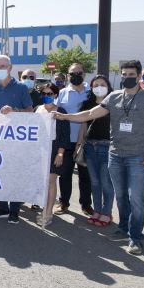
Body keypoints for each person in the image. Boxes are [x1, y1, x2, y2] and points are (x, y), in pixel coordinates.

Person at [54, 60, 144, 255]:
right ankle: (123, 228)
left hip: (138, 156)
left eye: (131, 75)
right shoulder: (113, 97)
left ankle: (135, 238)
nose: (127, 78)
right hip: (115, 154)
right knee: (121, 195)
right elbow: (89, 113)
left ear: (139, 76)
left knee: (136, 197)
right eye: (124, 74)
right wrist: (65, 117)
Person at [0, 54, 33, 224]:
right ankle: (2, 207)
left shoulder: (21, 88)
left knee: (15, 175)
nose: (0, 69)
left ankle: (15, 211)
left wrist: (15, 110)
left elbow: (30, 112)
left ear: (10, 68)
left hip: (17, 141)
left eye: (3, 66)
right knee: (0, 175)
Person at [55, 63, 93, 216]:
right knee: (65, 174)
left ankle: (86, 205)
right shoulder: (63, 93)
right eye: (72, 73)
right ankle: (63, 203)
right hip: (66, 141)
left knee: (85, 175)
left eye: (79, 72)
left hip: (85, 141)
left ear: (84, 74)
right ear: (68, 75)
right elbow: (56, 114)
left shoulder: (91, 92)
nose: (75, 75)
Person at [77, 75, 114, 227]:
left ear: (108, 86)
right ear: (91, 88)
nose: (99, 87)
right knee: (95, 182)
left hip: (108, 146)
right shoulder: (87, 103)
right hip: (90, 146)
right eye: (95, 84)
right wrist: (79, 144)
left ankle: (107, 213)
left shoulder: (114, 102)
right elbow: (83, 125)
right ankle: (97, 211)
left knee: (106, 183)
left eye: (102, 84)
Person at [34, 83, 70, 227]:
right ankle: (43, 207)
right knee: (41, 181)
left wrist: (60, 154)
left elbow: (65, 135)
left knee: (50, 181)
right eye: (44, 93)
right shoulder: (37, 109)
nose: (47, 96)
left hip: (54, 148)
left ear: (55, 95)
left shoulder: (61, 111)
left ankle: (48, 213)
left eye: (50, 94)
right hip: (39, 149)